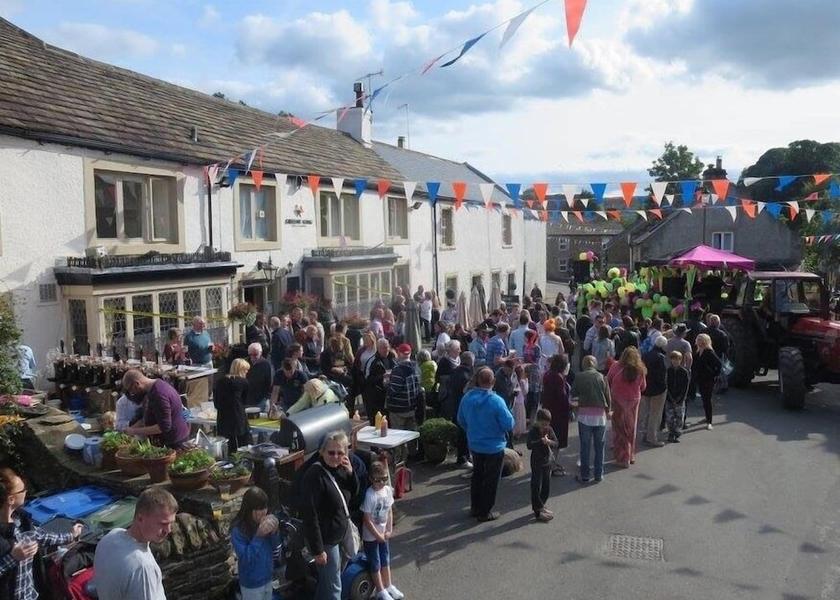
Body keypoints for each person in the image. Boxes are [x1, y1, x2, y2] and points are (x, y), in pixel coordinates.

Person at [1, 467, 84, 599]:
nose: (26, 491)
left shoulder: (21, 520)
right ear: (11, 499)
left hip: (31, 595)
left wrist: (71, 535)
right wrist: (13, 558)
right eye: (22, 490)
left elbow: (42, 537)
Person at [301, 431, 358, 600]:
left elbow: (354, 494)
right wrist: (318, 550)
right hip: (326, 540)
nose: (335, 457)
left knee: (328, 582)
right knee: (334, 587)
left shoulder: (341, 469)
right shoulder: (314, 476)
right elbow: (310, 515)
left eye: (340, 453)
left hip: (340, 533)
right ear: (322, 452)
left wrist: (351, 474)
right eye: (331, 452)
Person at [94, 487, 177, 600]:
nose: (168, 530)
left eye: (171, 523)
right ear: (140, 518)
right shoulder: (143, 567)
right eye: (163, 524)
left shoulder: (110, 537)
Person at [457, 367, 514, 522]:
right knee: (491, 480)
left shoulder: (467, 398)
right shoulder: (496, 401)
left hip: (475, 444)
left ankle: (475, 508)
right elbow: (509, 424)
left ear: (477, 380)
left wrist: (472, 430)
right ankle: (485, 512)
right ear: (493, 381)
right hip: (494, 446)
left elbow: (461, 419)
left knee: (477, 476)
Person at [361, 462, 404, 600]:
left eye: (384, 479)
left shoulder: (387, 490)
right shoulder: (370, 495)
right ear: (371, 479)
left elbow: (389, 511)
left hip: (383, 533)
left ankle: (388, 585)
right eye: (377, 480)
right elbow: (367, 519)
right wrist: (377, 535)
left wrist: (389, 529)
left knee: (385, 560)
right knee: (375, 563)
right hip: (371, 536)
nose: (381, 482)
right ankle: (380, 590)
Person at [231, 487, 280, 600]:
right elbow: (246, 559)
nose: (264, 512)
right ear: (249, 510)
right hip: (252, 584)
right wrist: (258, 536)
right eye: (259, 509)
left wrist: (275, 532)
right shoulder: (238, 530)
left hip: (267, 578)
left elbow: (275, 549)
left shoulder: (265, 523)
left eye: (265, 507)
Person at [123, 369, 190, 449]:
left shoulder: (159, 394)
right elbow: (149, 416)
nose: (133, 394)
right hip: (167, 440)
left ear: (136, 384)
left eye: (132, 391)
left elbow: (163, 427)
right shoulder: (153, 388)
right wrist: (132, 428)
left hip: (173, 442)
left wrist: (134, 431)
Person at [571, 356, 611, 482]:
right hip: (600, 416)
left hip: (584, 416)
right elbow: (608, 396)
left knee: (585, 446)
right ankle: (599, 474)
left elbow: (573, 393)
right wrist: (608, 410)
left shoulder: (579, 377)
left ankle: (585, 475)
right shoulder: (602, 377)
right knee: (599, 447)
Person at [606, 347, 648, 468]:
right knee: (631, 428)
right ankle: (631, 455)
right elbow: (643, 387)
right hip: (634, 400)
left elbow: (608, 380)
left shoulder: (615, 366)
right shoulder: (640, 369)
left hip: (618, 400)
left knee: (620, 429)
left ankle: (622, 458)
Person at [541, 354, 571, 476]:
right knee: (555, 441)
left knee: (549, 439)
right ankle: (552, 467)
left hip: (549, 410)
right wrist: (571, 406)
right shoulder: (558, 378)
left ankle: (550, 464)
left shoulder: (548, 374)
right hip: (558, 414)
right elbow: (562, 397)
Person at [214, 358, 251, 454]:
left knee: (228, 444)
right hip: (238, 415)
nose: (247, 372)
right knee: (243, 443)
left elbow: (216, 401)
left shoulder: (220, 381)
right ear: (241, 369)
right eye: (246, 370)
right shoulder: (243, 382)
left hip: (223, 416)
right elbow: (245, 401)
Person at [526, 409, 557, 522]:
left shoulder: (549, 429)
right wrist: (540, 441)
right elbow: (529, 445)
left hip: (547, 461)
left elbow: (556, 443)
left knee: (546, 486)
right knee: (535, 485)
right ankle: (537, 511)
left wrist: (549, 442)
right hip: (536, 461)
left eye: (547, 424)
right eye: (543, 424)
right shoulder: (533, 431)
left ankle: (541, 505)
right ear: (538, 421)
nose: (545, 426)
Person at [444, 352, 474, 468]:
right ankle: (462, 459)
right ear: (471, 361)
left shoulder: (455, 371)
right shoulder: (466, 375)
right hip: (462, 407)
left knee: (462, 433)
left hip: (454, 405)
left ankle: (466, 456)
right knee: (463, 434)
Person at [385, 344, 423, 433]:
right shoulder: (416, 368)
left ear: (399, 353)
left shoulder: (398, 370)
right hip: (412, 407)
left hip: (398, 409)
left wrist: (386, 384)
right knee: (411, 435)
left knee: (398, 435)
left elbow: (394, 390)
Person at [639, 336, 668, 447]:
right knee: (655, 415)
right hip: (658, 390)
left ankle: (644, 435)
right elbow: (662, 375)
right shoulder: (661, 357)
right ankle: (652, 438)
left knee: (646, 413)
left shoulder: (646, 355)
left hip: (646, 388)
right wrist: (664, 387)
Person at [363, 339, 396, 425]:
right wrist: (382, 376)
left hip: (389, 394)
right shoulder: (372, 361)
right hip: (376, 396)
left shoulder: (393, 358)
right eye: (383, 348)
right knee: (377, 422)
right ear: (378, 348)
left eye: (387, 347)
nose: (386, 350)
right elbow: (367, 379)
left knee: (389, 421)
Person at [694, 333, 722, 430]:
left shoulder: (709, 352)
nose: (698, 341)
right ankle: (707, 417)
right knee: (704, 399)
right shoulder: (698, 351)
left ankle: (709, 421)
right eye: (698, 339)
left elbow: (719, 364)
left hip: (708, 379)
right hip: (701, 379)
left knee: (707, 400)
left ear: (704, 341)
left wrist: (714, 374)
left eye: (700, 340)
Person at [665, 351, 690, 443]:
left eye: (678, 359)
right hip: (670, 398)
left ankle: (677, 433)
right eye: (674, 359)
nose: (676, 361)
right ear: (671, 360)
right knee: (670, 417)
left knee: (679, 417)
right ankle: (671, 433)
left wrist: (681, 398)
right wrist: (670, 397)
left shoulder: (684, 372)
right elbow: (666, 385)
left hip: (680, 399)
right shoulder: (668, 371)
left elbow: (685, 387)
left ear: (681, 360)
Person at [246, 343, 273, 413]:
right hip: (247, 399)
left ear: (260, 353)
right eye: (250, 354)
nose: (253, 357)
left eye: (255, 354)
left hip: (260, 399)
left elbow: (269, 382)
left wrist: (267, 397)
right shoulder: (245, 363)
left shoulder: (265, 364)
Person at [512, 365, 528, 438]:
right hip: (520, 401)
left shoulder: (513, 380)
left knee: (515, 416)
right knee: (519, 417)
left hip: (514, 401)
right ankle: (517, 433)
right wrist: (527, 381)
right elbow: (525, 392)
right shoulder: (522, 381)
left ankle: (513, 431)